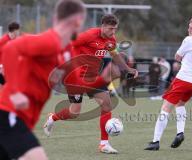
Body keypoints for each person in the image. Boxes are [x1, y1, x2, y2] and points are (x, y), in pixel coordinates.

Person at [0, 0, 86, 159]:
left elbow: (76, 83)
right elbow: (10, 48)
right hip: (9, 113)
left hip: (24, 119)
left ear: (55, 18)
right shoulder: (50, 41)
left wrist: (104, 79)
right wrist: (13, 91)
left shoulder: (66, 51)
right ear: (78, 21)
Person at [43, 14, 138, 154]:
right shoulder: (88, 35)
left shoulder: (111, 40)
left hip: (93, 78)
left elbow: (115, 55)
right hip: (75, 78)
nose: (113, 32)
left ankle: (104, 144)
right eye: (111, 29)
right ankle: (53, 117)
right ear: (103, 26)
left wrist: (128, 69)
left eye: (115, 29)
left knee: (106, 103)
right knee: (74, 113)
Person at [144, 16, 192, 150]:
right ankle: (180, 133)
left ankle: (155, 142)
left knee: (165, 108)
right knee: (180, 104)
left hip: (183, 79)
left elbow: (177, 57)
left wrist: (184, 58)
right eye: (189, 26)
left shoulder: (189, 40)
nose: (189, 30)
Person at [0, 22, 20, 87]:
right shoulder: (3, 41)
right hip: (2, 70)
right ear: (14, 31)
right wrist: (1, 66)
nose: (18, 32)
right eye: (17, 30)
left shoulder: (16, 40)